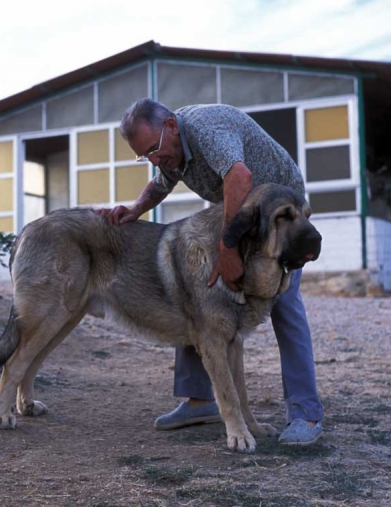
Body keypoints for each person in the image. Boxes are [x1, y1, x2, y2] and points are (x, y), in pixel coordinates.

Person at [102, 98, 324, 445]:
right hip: (243, 212)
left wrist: (227, 247)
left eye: (153, 150)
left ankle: (306, 415)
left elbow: (240, 176)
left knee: (286, 305)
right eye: (144, 156)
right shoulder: (171, 150)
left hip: (281, 213)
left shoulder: (205, 127)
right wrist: (135, 209)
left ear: (172, 127)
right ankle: (199, 401)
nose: (153, 160)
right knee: (197, 292)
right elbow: (161, 183)